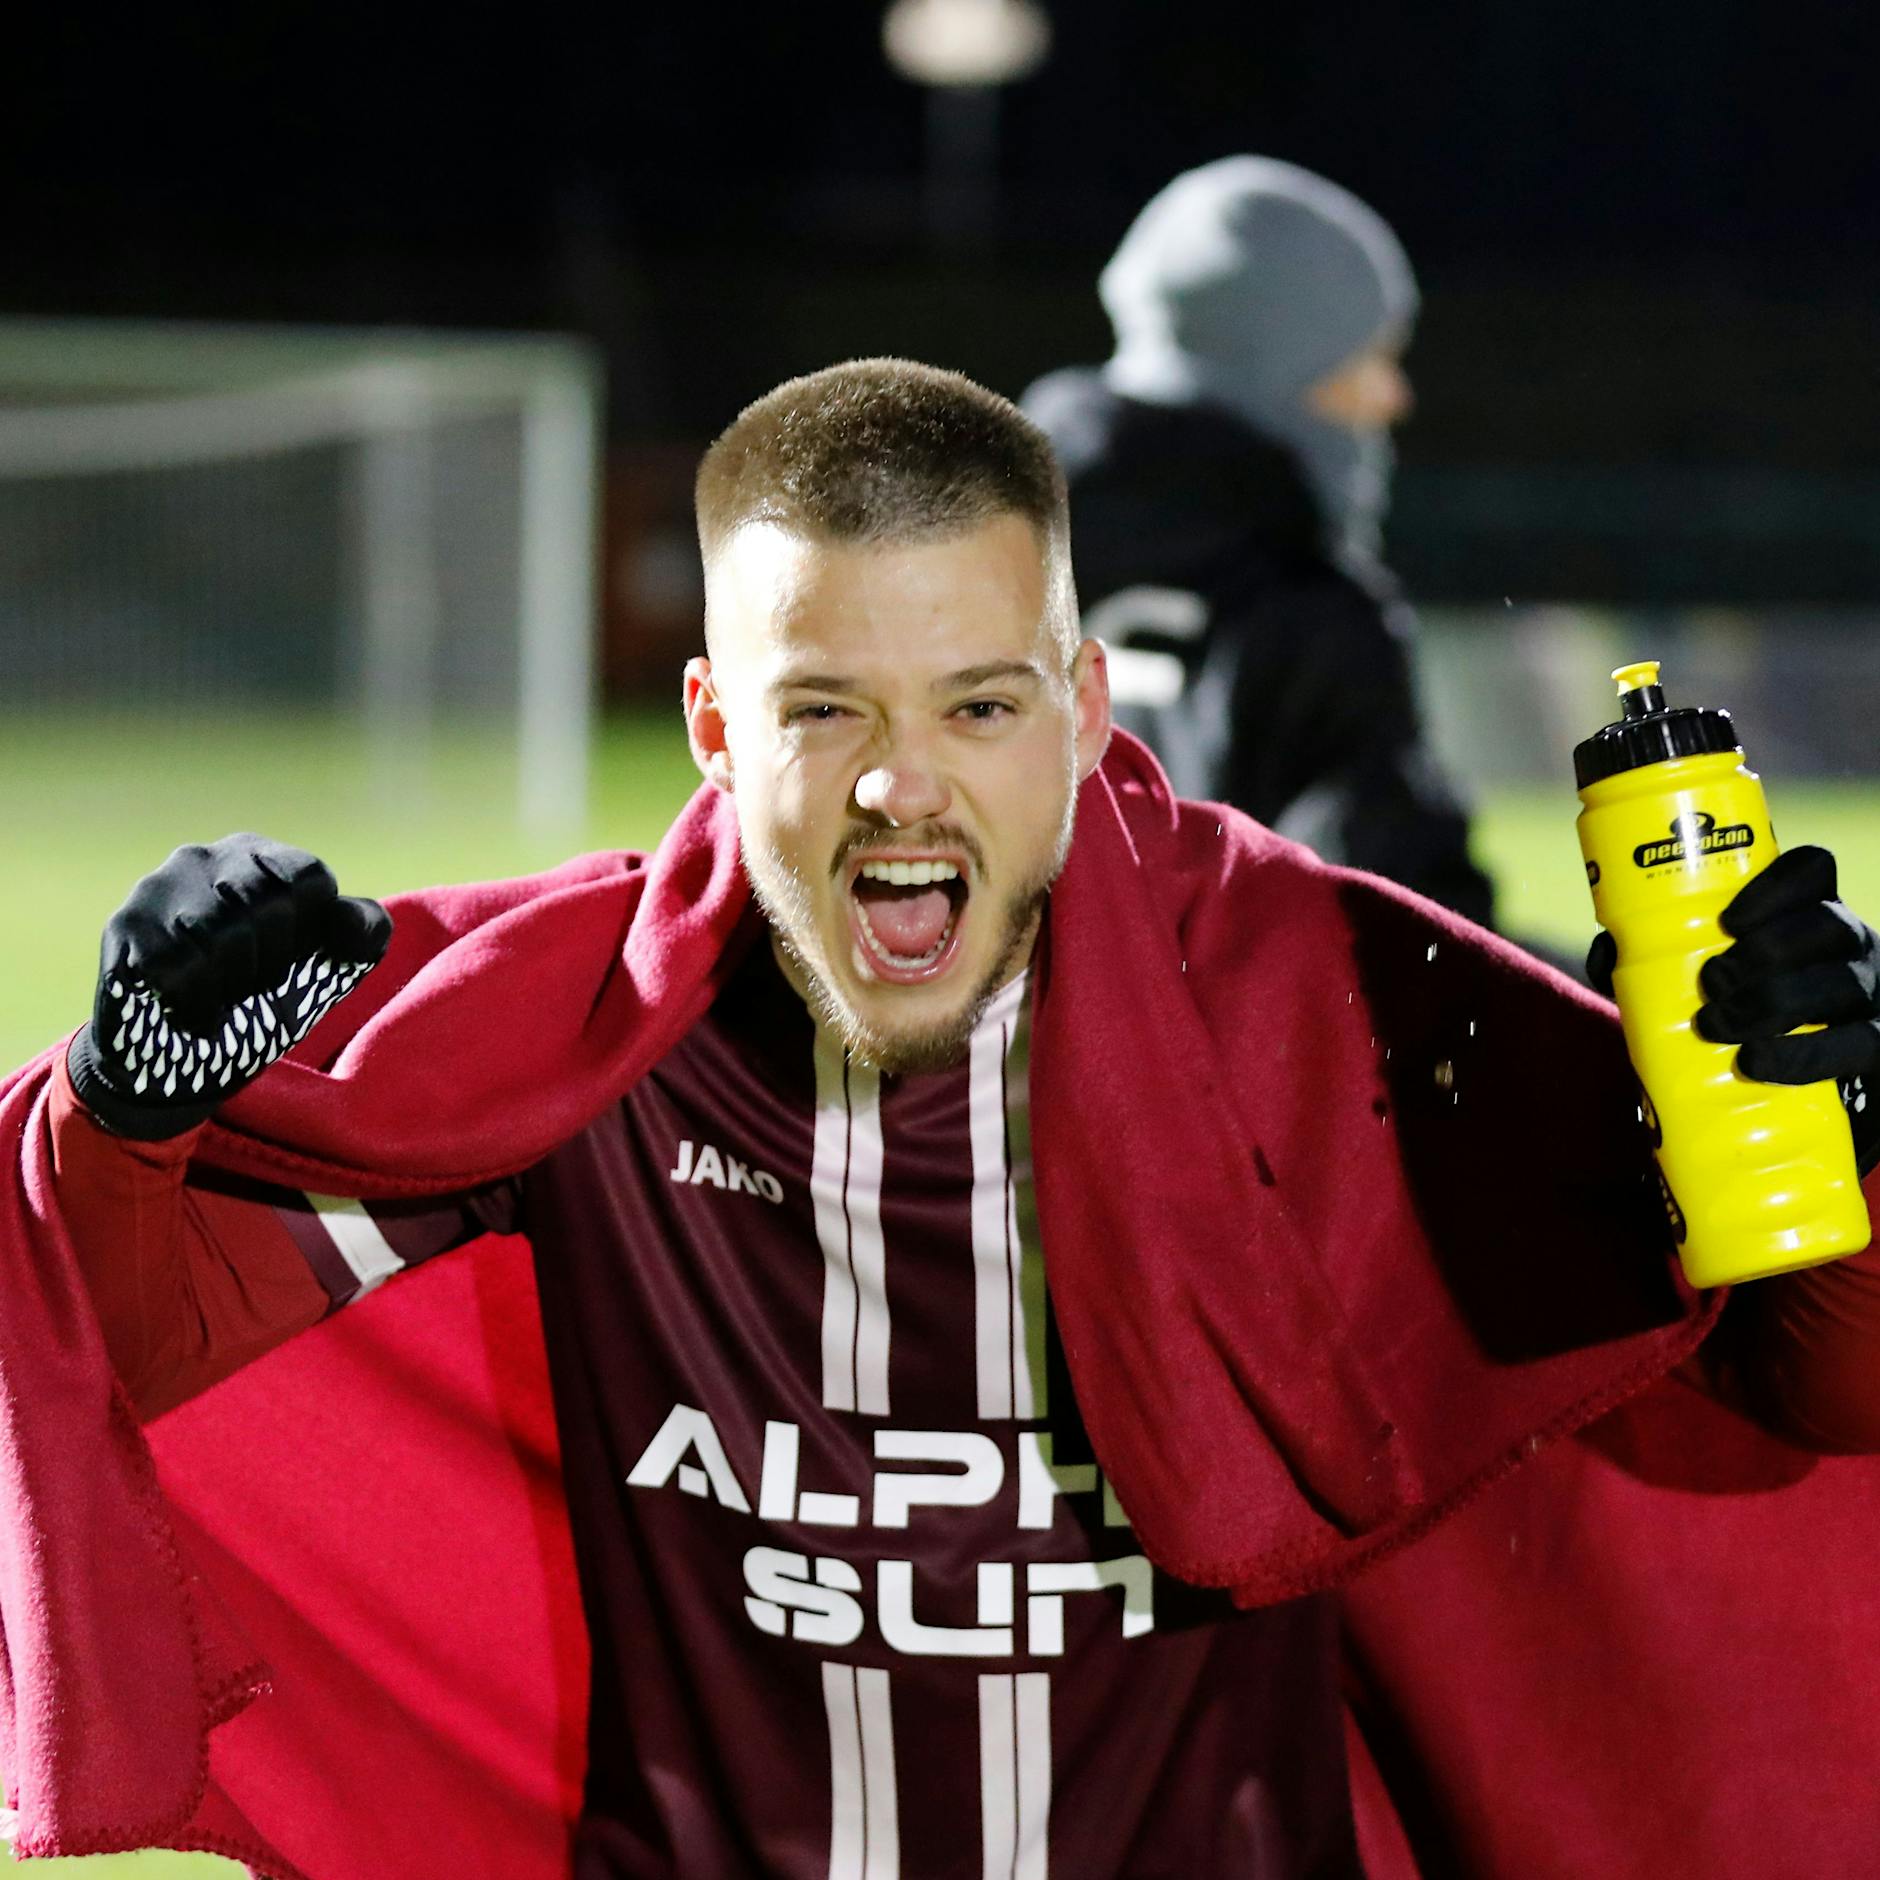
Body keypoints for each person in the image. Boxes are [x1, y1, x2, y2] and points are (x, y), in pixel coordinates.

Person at [3, 359, 1880, 1879]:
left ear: (1081, 702)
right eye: (824, 709)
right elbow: (103, 1350)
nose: (906, 786)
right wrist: (123, 1118)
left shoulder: (1330, 1006)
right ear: (714, 729)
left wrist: (1827, 1131)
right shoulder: (572, 1027)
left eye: (981, 706)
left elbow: (1814, 1393)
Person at [1022, 154, 1497, 928]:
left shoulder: (972, 559)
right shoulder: (1309, 616)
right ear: (1281, 360)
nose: (1394, 397)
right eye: (1369, 357)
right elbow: (1410, 955)